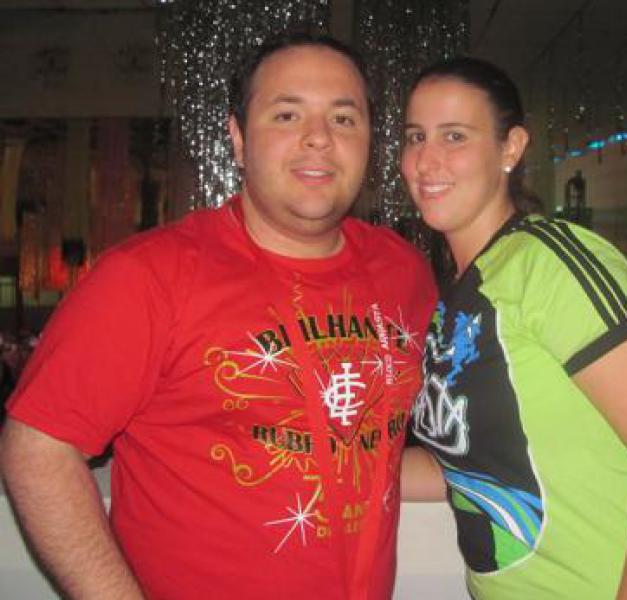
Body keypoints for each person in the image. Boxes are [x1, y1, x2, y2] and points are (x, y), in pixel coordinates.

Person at [0, 34, 436, 600]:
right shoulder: (148, 276)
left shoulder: (403, 271)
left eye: (344, 118)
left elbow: (375, 443)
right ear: (238, 138)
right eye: (287, 114)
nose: (319, 138)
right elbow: (38, 448)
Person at [399, 57, 627, 600]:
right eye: (415, 137)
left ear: (511, 148)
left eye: (454, 136)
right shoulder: (459, 295)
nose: (426, 160)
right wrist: (336, 466)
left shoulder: (550, 262)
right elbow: (465, 465)